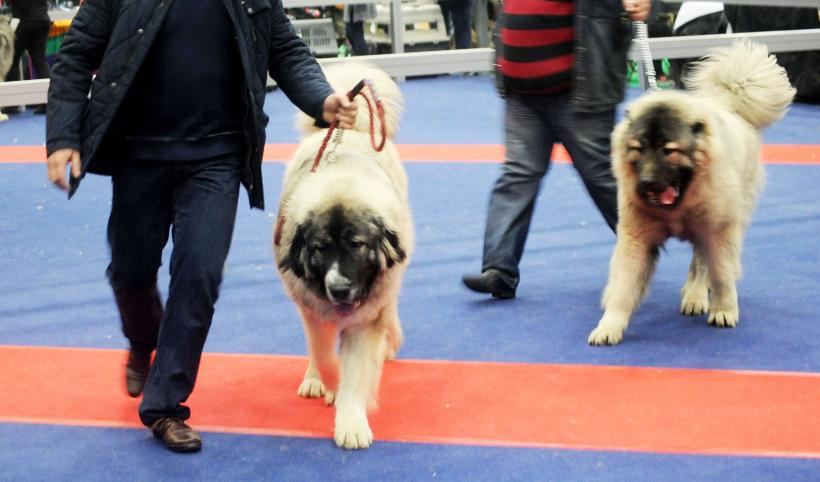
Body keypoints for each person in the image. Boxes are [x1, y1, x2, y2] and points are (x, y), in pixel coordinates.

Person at [45, 0, 357, 453]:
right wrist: (62, 138)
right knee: (131, 271)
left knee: (199, 274)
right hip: (137, 155)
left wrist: (322, 98)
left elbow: (285, 49)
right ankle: (142, 338)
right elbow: (75, 55)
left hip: (218, 157)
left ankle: (165, 405)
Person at [462, 0, 650, 298]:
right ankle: (499, 270)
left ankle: (645, 244)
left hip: (578, 91)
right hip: (521, 91)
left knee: (603, 178)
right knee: (517, 177)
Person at [4, 0, 51, 114]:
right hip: (42, 19)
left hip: (23, 21)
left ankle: (12, 104)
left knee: (11, 61)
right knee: (40, 61)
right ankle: (48, 103)